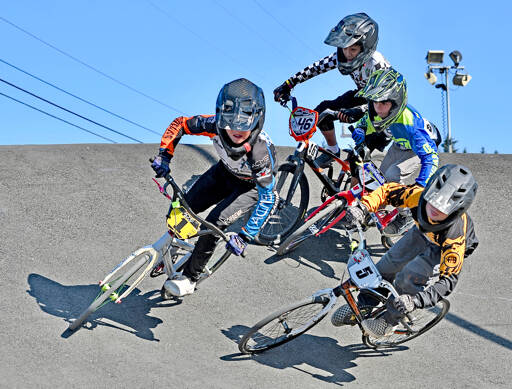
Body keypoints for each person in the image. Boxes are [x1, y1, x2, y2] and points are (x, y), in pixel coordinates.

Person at [151, 78, 278, 297]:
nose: (235, 132)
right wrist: (165, 156)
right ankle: (172, 249)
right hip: (224, 173)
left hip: (250, 188)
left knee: (214, 223)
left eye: (243, 128)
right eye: (230, 127)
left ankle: (190, 278)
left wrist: (246, 235)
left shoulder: (260, 153)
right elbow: (180, 123)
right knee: (183, 207)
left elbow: (269, 198)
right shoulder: (214, 125)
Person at [331, 164, 478, 338]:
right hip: (422, 232)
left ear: (456, 211)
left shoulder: (455, 238)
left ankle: (388, 322)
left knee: (408, 278)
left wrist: (415, 301)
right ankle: (365, 303)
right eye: (432, 201)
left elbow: (448, 281)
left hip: (441, 246)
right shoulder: (417, 195)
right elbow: (386, 191)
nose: (433, 210)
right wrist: (363, 207)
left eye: (442, 211)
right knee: (387, 264)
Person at [273, 12, 391, 168]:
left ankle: (359, 186)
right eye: (344, 49)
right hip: (362, 96)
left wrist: (359, 110)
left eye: (353, 50)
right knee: (323, 111)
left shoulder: (376, 63)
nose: (347, 54)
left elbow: (384, 101)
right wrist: (289, 83)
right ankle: (333, 151)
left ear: (365, 49)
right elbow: (316, 68)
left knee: (356, 161)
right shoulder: (342, 55)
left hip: (383, 112)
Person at [349, 67, 441, 234]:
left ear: (395, 102)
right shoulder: (378, 110)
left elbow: (431, 158)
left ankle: (406, 215)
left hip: (418, 147)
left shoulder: (411, 125)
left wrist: (419, 187)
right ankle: (377, 210)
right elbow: (364, 121)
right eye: (375, 102)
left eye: (384, 103)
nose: (378, 108)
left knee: (392, 176)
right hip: (400, 144)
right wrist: (361, 130)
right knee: (379, 181)